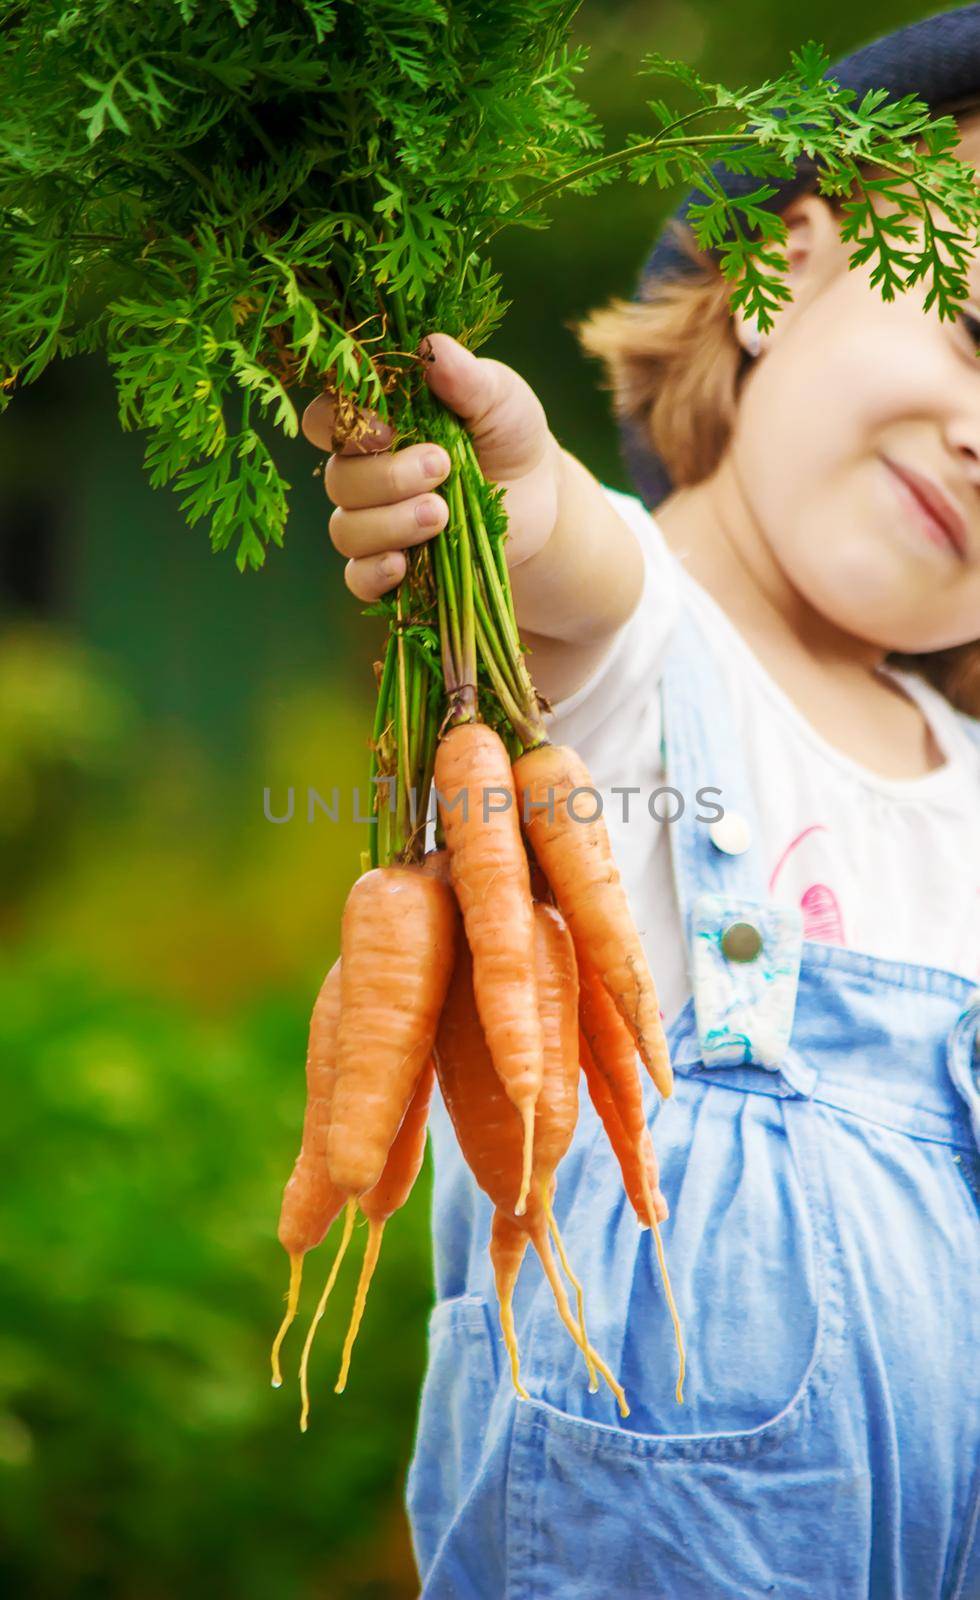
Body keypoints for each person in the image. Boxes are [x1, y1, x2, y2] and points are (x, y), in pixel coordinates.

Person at [302, 10, 980, 1596]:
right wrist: (512, 494)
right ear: (782, 271)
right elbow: (572, 565)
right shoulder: (642, 634)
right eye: (974, 336)